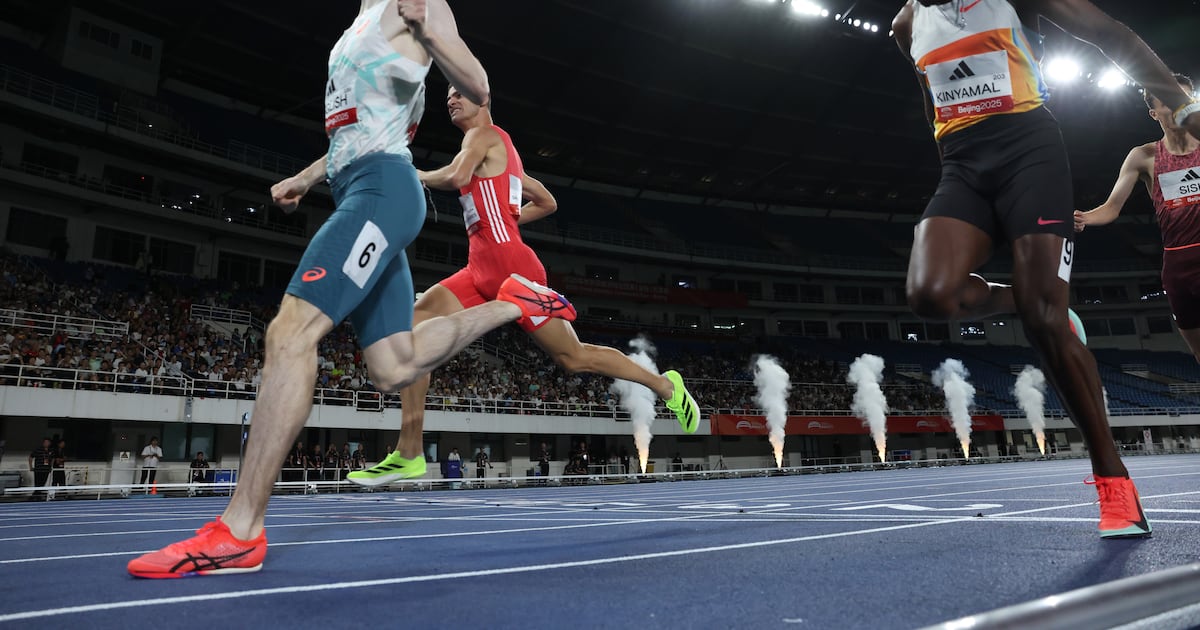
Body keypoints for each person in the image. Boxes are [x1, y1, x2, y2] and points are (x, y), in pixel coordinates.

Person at [127, 0, 575, 579]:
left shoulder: (416, 6)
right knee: (394, 365)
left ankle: (238, 531)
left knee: (289, 333)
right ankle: (511, 303)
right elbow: (354, 133)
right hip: (358, 186)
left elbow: (478, 84)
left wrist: (428, 29)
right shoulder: (358, 25)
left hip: (382, 192)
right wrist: (305, 177)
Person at [892, 0, 1199, 538]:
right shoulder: (906, 24)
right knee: (930, 296)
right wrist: (954, 170)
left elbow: (1113, 36)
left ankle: (1113, 483)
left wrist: (1182, 105)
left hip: (1029, 151)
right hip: (962, 164)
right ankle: (1038, 297)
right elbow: (929, 98)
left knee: (1043, 322)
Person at [348, 85, 700, 487]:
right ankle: (409, 451)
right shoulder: (505, 155)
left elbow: (458, 174)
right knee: (407, 332)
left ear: (484, 100)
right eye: (446, 95)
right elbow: (548, 201)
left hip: (514, 271)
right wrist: (507, 216)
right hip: (478, 270)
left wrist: (415, 174)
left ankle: (664, 385)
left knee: (574, 358)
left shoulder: (484, 136)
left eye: (459, 92)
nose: (450, 99)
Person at [1076, 74, 1200, 358]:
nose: (1180, 107)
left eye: (1185, 100)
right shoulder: (1144, 156)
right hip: (1177, 265)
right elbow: (1111, 208)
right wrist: (1084, 218)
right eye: (1170, 101)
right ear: (1153, 112)